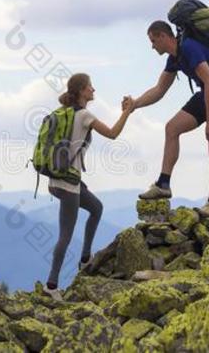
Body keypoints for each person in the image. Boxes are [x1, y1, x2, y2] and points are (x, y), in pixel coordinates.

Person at [123, 20, 209, 218]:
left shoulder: (189, 48)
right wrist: (135, 104)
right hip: (206, 95)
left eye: (153, 41)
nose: (152, 46)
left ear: (163, 36)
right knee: (172, 128)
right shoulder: (174, 58)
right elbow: (159, 90)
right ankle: (163, 184)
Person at [43, 73, 133, 300]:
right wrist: (127, 111)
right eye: (90, 87)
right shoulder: (83, 115)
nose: (94, 90)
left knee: (96, 207)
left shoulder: (62, 113)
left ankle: (85, 259)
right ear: (82, 90)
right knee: (65, 235)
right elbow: (113, 133)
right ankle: (52, 285)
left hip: (56, 179)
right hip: (68, 184)